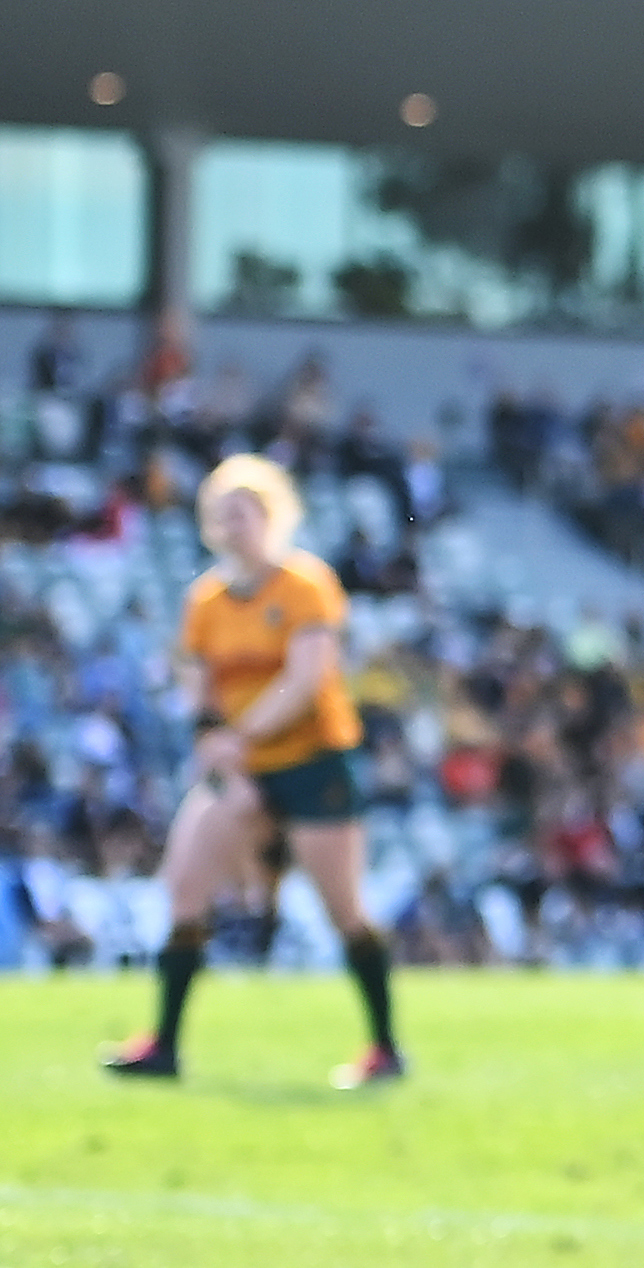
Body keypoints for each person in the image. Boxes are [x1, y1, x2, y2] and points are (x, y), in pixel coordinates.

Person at [104, 454, 401, 1088]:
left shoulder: (305, 585)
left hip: (311, 761)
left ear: (272, 515)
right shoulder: (205, 601)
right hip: (242, 768)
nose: (231, 524)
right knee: (186, 891)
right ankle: (164, 1044)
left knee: (343, 908)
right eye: (220, 513)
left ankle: (384, 1045)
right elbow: (198, 686)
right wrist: (214, 739)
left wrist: (236, 736)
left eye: (243, 511)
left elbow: (306, 680)